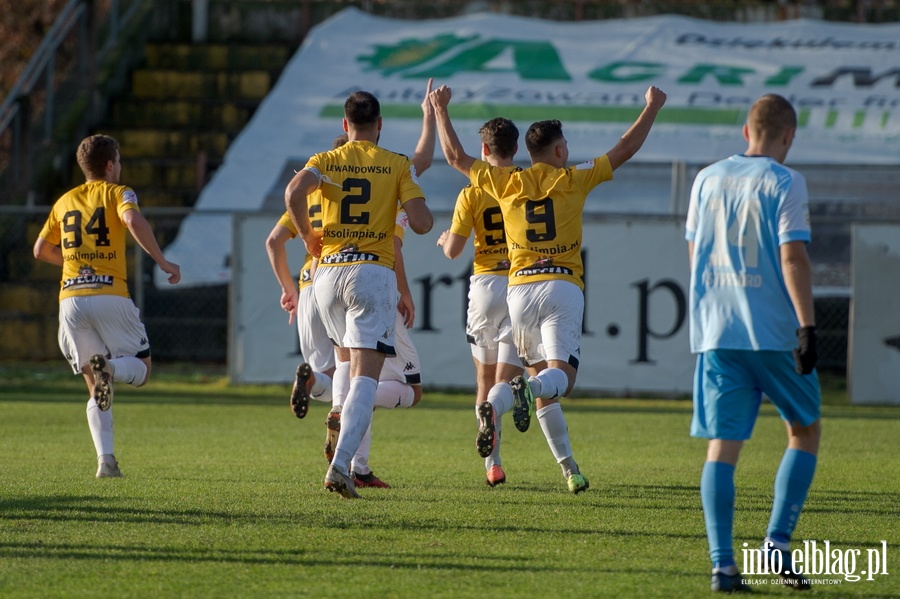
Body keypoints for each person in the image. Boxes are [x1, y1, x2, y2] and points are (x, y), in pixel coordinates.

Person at [430, 84, 666, 494]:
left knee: (512, 381)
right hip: (560, 285)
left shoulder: (504, 184)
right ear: (558, 151)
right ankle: (527, 393)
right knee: (560, 380)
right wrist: (652, 108)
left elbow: (453, 157)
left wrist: (440, 110)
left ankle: (558, 460)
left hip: (517, 291)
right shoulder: (574, 179)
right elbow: (625, 148)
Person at [685, 94, 820, 593]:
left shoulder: (705, 177)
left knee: (722, 448)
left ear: (746, 132)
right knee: (804, 429)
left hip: (718, 333)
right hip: (774, 333)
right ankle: (776, 546)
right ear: (788, 136)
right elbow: (793, 259)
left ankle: (723, 566)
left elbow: (696, 253)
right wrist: (808, 327)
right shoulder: (786, 181)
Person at [285, 90, 433, 499]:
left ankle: (340, 431)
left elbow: (294, 191)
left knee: (344, 368)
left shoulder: (325, 161)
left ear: (345, 126)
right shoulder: (396, 165)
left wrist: (309, 237)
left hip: (327, 274)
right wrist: (411, 196)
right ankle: (342, 466)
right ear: (380, 125)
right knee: (367, 378)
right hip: (370, 272)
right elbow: (421, 224)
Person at [33, 134, 181, 478]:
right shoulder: (119, 192)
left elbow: (41, 249)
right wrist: (162, 261)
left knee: (94, 384)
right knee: (142, 370)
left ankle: (106, 461)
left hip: (70, 300)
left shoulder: (64, 201)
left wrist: (77, 266)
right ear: (111, 164)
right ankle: (112, 369)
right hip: (109, 293)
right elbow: (132, 221)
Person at [436, 117, 524, 487]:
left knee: (484, 379)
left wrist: (443, 240)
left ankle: (493, 464)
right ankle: (499, 415)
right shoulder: (527, 182)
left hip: (485, 285)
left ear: (484, 150)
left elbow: (454, 251)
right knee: (508, 380)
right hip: (520, 285)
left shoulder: (471, 192)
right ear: (515, 149)